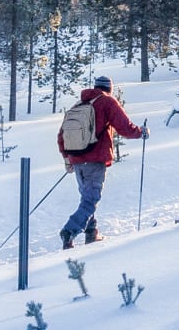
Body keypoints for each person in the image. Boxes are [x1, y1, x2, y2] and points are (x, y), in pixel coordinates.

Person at [58, 75, 145, 249]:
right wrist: (141, 132)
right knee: (91, 200)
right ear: (109, 88)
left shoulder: (79, 104)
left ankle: (92, 232)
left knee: (86, 198)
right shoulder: (107, 102)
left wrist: (67, 158)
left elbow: (62, 135)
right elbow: (124, 127)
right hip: (94, 159)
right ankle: (69, 230)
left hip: (76, 160)